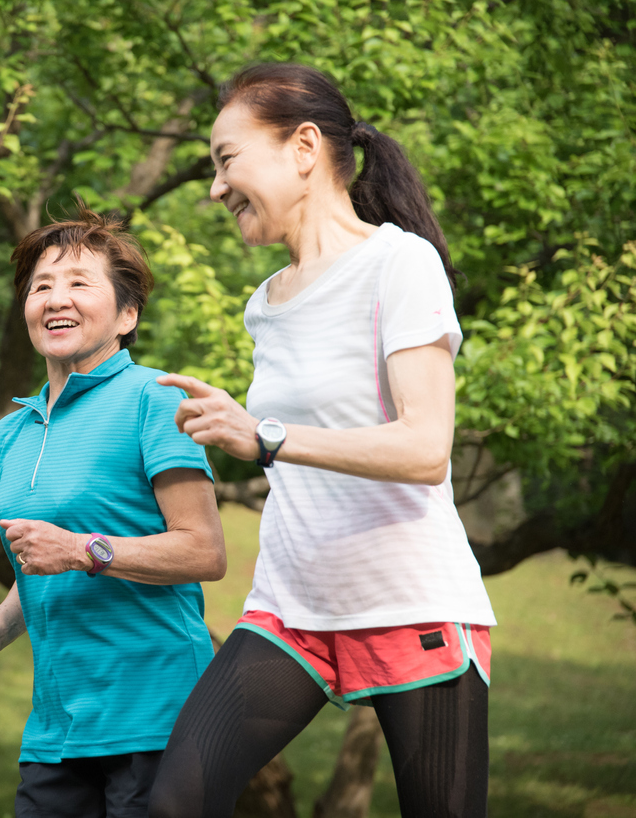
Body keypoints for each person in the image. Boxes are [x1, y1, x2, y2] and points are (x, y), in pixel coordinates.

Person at [148, 63, 496, 818]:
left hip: (411, 601)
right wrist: (240, 428)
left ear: (304, 147)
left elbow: (425, 447)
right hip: (292, 605)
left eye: (226, 160)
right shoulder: (264, 305)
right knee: (177, 801)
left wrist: (263, 434)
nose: (215, 187)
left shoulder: (399, 263)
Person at [0, 206, 227, 818]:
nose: (54, 298)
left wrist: (81, 549)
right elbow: (37, 565)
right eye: (41, 285)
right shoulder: (7, 437)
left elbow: (204, 551)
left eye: (78, 283)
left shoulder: (156, 400)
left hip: (158, 719)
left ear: (127, 315)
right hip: (57, 728)